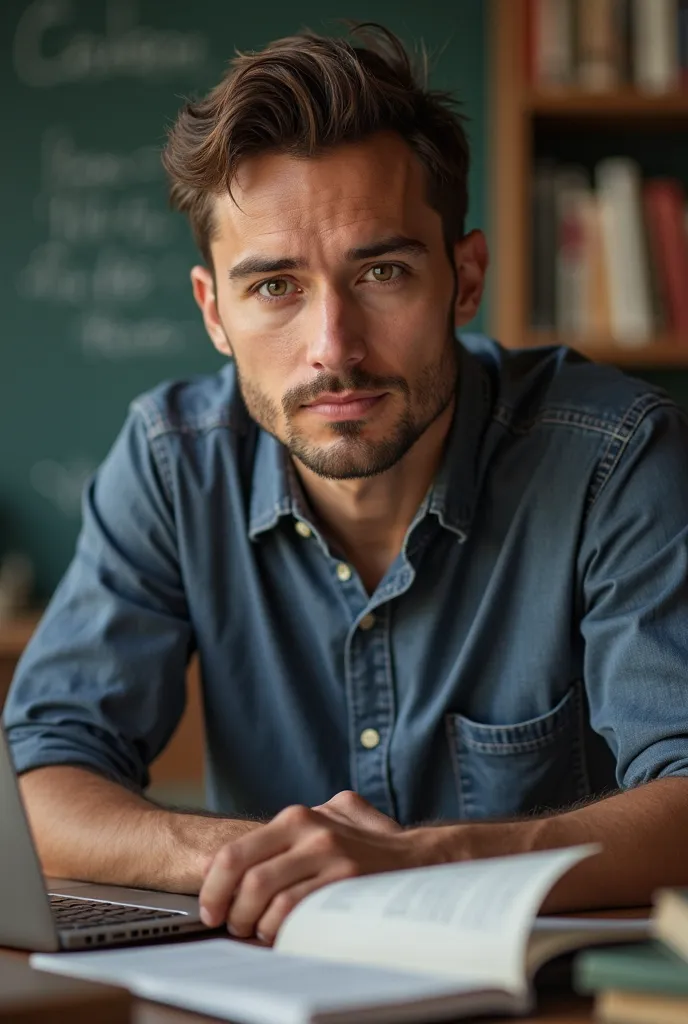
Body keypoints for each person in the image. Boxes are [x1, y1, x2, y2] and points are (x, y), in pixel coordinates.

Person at [6, 23, 688, 946]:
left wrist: (422, 862)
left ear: (464, 277)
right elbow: (39, 779)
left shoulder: (616, 457)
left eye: (383, 271)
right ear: (215, 312)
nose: (334, 347)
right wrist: (262, 860)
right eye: (276, 287)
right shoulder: (173, 463)